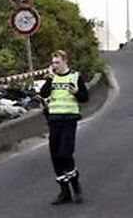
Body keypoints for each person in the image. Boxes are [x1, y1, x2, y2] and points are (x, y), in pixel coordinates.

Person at [39, 49, 89, 205]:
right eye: (53, 62)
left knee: (65, 154)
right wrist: (49, 79)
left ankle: (76, 186)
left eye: (57, 62)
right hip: (54, 120)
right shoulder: (52, 78)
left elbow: (85, 98)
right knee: (55, 157)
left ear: (65, 61)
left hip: (69, 120)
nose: (55, 65)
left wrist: (76, 93)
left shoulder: (75, 76)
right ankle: (64, 191)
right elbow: (44, 94)